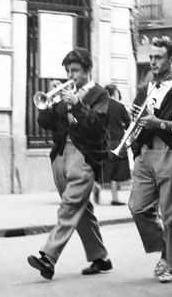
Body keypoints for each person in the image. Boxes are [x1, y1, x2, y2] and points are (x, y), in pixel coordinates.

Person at [27, 48, 112, 281]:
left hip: (84, 156)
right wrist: (51, 102)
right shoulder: (64, 94)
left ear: (87, 71)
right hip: (60, 154)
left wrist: (76, 104)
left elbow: (97, 125)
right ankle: (100, 257)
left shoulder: (99, 94)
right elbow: (44, 122)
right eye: (67, 71)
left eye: (75, 70)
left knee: (69, 207)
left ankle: (48, 257)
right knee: (80, 209)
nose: (70, 75)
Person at [128, 38, 172, 283]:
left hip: (169, 152)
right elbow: (136, 121)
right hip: (145, 153)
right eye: (151, 57)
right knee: (137, 207)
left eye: (159, 57)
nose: (153, 62)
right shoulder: (146, 88)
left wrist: (159, 123)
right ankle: (166, 248)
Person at [99, 84, 131, 206]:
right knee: (117, 171)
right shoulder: (119, 106)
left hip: (102, 141)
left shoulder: (99, 105)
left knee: (103, 168)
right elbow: (128, 124)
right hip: (117, 141)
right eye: (117, 93)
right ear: (114, 93)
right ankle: (115, 198)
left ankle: (96, 186)